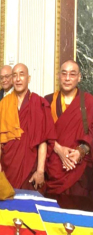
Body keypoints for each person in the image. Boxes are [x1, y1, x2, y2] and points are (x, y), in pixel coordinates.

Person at [0, 63, 56, 190]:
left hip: (30, 166)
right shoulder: (4, 104)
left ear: (29, 78)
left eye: (21, 74)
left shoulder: (38, 103)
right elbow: (1, 135)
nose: (18, 79)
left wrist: (40, 170)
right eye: (14, 75)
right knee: (6, 205)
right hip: (9, 164)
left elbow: (42, 140)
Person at [45, 60, 93, 197]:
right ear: (59, 76)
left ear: (79, 77)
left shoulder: (89, 101)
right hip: (53, 168)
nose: (67, 78)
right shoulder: (48, 101)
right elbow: (42, 133)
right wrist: (58, 149)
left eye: (72, 74)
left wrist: (80, 151)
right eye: (64, 73)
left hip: (79, 170)